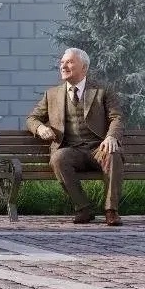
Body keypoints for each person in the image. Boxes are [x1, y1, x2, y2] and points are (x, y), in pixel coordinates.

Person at [26, 47, 125, 225]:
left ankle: (111, 210)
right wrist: (40, 128)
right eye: (62, 62)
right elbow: (32, 118)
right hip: (71, 150)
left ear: (84, 67)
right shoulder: (52, 94)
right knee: (58, 158)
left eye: (70, 62)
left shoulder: (102, 91)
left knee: (113, 154)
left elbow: (116, 117)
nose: (63, 66)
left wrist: (111, 136)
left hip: (98, 148)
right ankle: (83, 208)